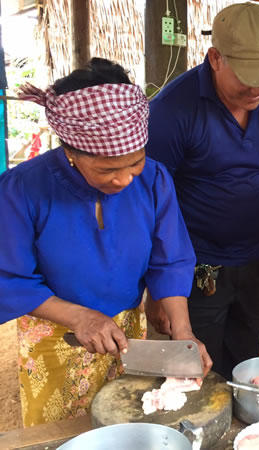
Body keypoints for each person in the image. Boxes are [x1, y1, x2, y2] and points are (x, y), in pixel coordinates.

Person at [1, 58, 211, 427]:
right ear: (70, 151)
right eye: (106, 170)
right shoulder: (23, 189)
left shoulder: (155, 179)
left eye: (135, 163)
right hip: (55, 338)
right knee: (68, 434)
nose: (125, 180)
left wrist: (183, 332)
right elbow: (9, 277)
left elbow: (171, 259)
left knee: (132, 422)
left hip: (129, 332)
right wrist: (80, 317)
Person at [145, 3, 259, 380]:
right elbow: (150, 204)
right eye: (249, 75)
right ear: (215, 58)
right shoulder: (172, 111)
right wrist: (158, 289)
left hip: (253, 258)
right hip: (193, 266)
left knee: (244, 363)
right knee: (194, 372)